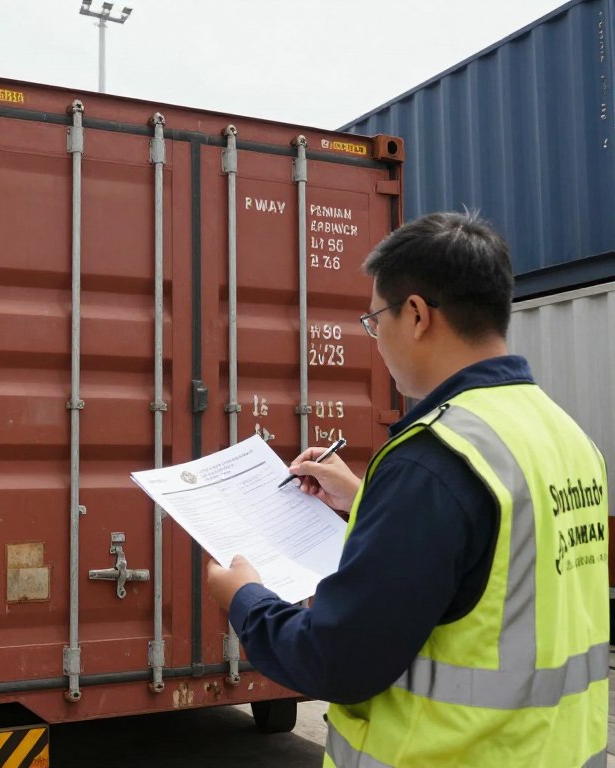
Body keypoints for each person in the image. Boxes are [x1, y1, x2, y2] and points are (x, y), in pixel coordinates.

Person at [207, 211, 609, 767]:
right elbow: (498, 560)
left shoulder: (433, 461)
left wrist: (245, 599)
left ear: (417, 315)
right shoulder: (566, 436)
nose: (376, 340)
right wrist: (365, 498)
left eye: (376, 320)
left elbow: (338, 660)